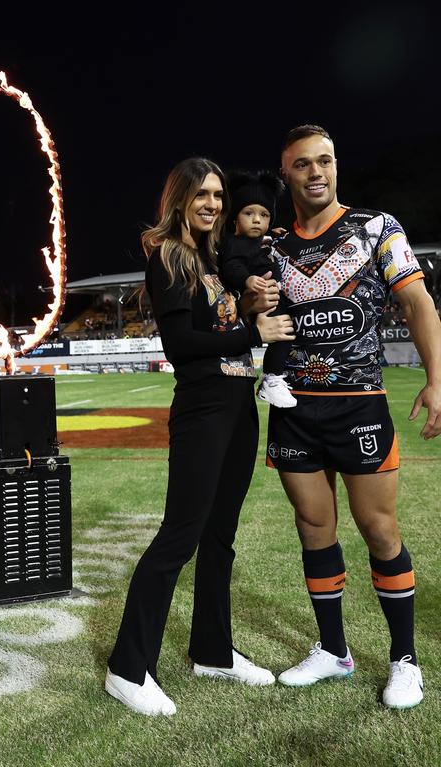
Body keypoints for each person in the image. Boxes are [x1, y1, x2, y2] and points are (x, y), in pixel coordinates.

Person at [104, 157, 294, 716]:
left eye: (218, 195)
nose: (213, 204)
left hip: (238, 406)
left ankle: (213, 651)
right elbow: (180, 345)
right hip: (203, 409)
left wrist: (249, 310)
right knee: (179, 538)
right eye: (202, 195)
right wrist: (249, 329)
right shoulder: (169, 256)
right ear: (180, 200)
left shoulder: (214, 259)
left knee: (219, 540)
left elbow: (223, 327)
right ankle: (127, 666)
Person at [269, 125, 441, 709]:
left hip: (360, 406)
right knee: (314, 529)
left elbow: (417, 302)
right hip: (294, 411)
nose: (316, 172)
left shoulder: (377, 228)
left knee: (380, 530)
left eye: (325, 161)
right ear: (286, 173)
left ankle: (405, 661)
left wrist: (437, 379)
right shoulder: (271, 247)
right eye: (302, 165)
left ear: (336, 166)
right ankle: (333, 651)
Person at [220, 170, 295, 408]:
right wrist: (247, 280)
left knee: (286, 336)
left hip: (274, 297)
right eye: (248, 213)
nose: (256, 220)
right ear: (235, 219)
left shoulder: (265, 240)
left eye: (264, 215)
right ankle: (272, 380)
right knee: (282, 335)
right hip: (254, 300)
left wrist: (275, 235)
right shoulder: (232, 243)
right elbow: (230, 266)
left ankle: (274, 379)